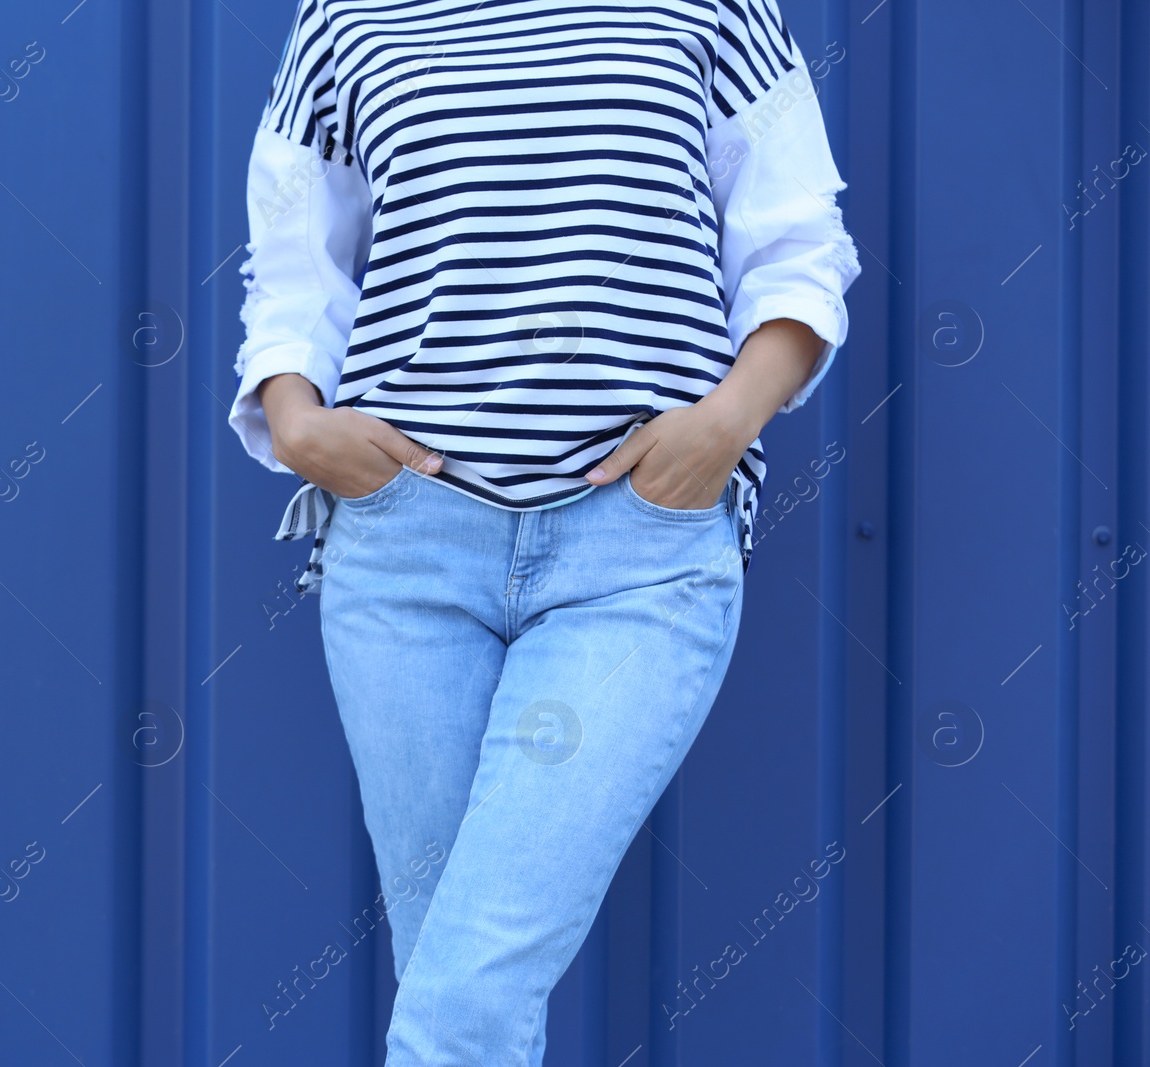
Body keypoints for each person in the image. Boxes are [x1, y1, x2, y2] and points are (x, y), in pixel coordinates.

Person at [228, 1, 862, 1062]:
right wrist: (294, 418)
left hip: (637, 557)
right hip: (405, 552)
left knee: (463, 1001)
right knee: (460, 982)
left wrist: (725, 422)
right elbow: (293, 253)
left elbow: (799, 238)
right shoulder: (346, 14)